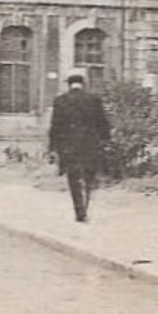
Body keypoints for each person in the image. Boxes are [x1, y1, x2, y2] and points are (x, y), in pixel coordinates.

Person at [48, 74, 111, 222]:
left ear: (69, 85)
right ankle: (86, 205)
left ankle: (79, 211)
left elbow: (55, 126)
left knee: (73, 178)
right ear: (83, 84)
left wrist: (52, 147)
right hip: (89, 145)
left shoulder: (60, 100)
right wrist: (106, 141)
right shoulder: (94, 99)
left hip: (68, 146)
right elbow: (103, 123)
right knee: (89, 176)